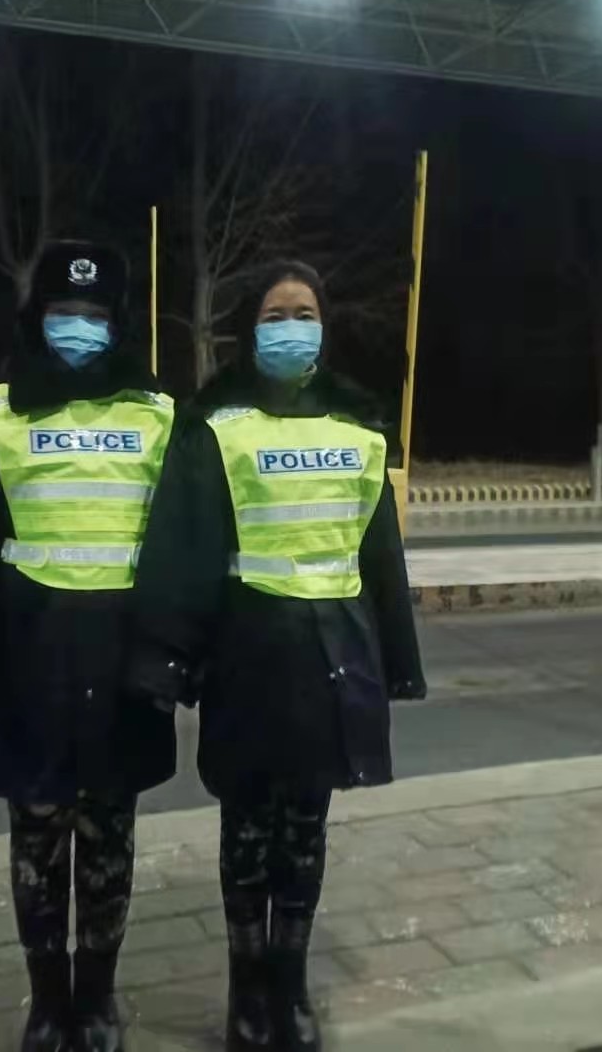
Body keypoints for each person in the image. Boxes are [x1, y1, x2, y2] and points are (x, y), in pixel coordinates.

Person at [126, 260, 425, 1052]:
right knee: (247, 833)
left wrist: (397, 658)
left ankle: (289, 986)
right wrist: (166, 660)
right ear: (247, 329)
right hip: (249, 658)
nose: (292, 328)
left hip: (334, 656)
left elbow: (380, 553)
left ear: (324, 325)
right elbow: (183, 549)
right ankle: (246, 989)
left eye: (304, 313)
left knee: (305, 830)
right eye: (275, 315)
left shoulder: (358, 423)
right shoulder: (214, 424)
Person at [0, 241, 178, 1052]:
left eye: (95, 315)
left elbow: (181, 552)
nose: (79, 327)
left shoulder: (158, 419)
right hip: (24, 680)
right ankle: (46, 1002)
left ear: (119, 324)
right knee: (37, 847)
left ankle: (97, 1000)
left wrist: (169, 663)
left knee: (109, 846)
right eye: (65, 312)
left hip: (123, 681)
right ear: (37, 319)